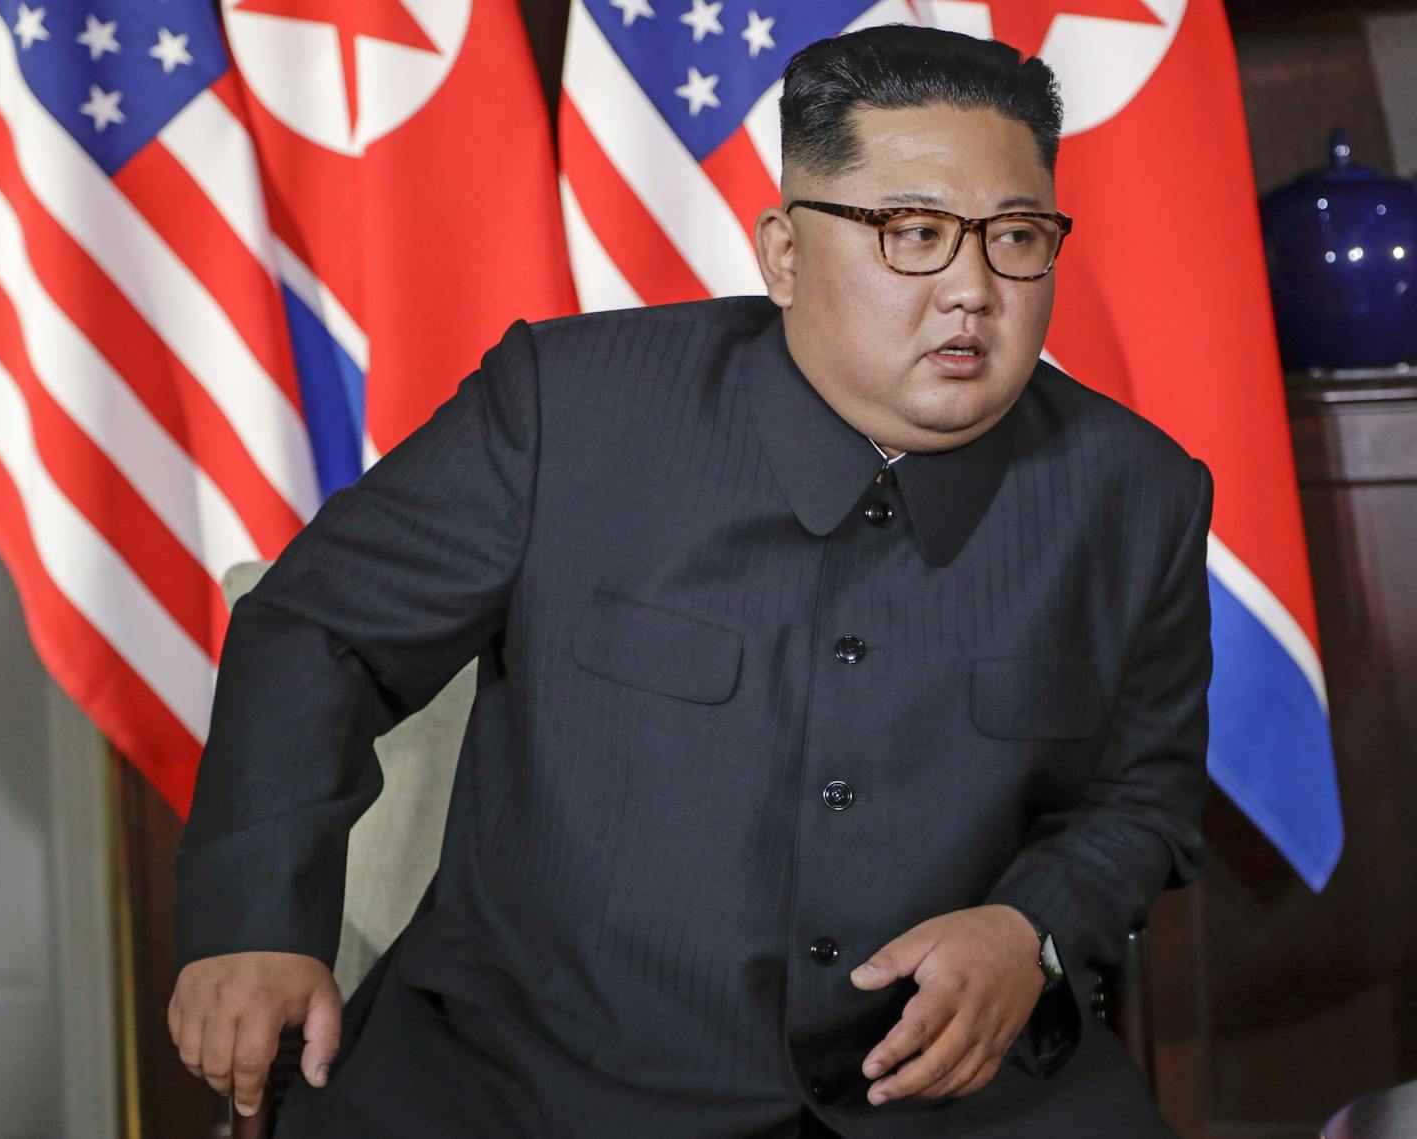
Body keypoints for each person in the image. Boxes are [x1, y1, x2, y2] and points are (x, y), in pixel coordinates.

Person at [170, 24, 1211, 1139]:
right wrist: (255, 920)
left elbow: (1142, 797)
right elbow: (319, 626)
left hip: (948, 1090)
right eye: (912, 233)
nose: (971, 290)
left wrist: (1029, 927)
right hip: (536, 1078)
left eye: (1013, 236)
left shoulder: (1134, 491)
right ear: (783, 252)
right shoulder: (565, 409)